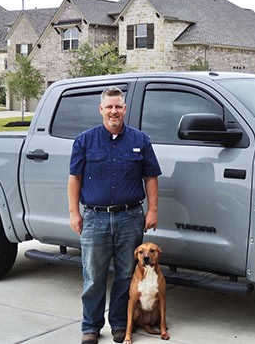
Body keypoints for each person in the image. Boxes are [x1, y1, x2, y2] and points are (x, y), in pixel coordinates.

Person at [68, 86, 161, 344]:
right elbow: (74, 178)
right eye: (109, 106)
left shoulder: (140, 140)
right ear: (101, 109)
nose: (113, 111)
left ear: (124, 109)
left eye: (118, 106)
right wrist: (74, 212)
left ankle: (120, 323)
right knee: (93, 276)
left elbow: (150, 177)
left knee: (124, 275)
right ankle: (91, 326)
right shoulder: (85, 141)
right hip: (94, 218)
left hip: (130, 218)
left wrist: (152, 210)